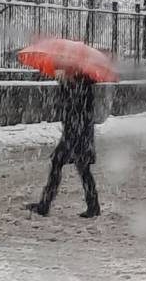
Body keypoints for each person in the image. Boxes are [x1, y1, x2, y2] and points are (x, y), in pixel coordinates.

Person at [26, 70, 101, 218]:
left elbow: (78, 109)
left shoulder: (82, 86)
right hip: (74, 133)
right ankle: (92, 205)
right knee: (75, 167)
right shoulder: (74, 85)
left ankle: (46, 204)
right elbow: (65, 107)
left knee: (75, 167)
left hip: (79, 133)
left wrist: (67, 87)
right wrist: (64, 85)